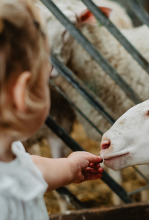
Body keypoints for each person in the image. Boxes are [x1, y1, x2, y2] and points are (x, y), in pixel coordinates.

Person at [0, 0, 104, 219]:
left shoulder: (10, 150)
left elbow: (29, 167)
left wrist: (70, 167)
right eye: (45, 77)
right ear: (22, 95)